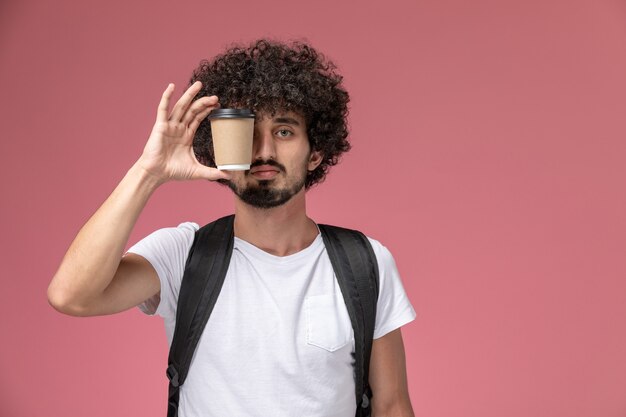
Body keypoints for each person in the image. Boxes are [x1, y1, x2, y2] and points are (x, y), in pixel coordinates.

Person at [48, 39, 416, 417]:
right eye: (246, 132)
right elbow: (71, 296)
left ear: (316, 153)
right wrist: (147, 172)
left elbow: (391, 405)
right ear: (220, 147)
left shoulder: (364, 262)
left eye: (284, 131)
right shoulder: (183, 254)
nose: (264, 151)